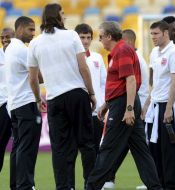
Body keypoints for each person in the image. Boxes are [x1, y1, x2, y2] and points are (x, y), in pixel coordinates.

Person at [86, 21, 162, 190]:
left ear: (109, 36)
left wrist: (128, 109)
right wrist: (106, 104)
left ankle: (91, 187)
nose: (100, 41)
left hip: (123, 105)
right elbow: (121, 83)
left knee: (107, 148)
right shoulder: (119, 52)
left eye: (101, 37)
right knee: (141, 150)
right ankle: (155, 187)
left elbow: (131, 80)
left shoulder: (122, 50)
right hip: (121, 103)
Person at [28, 4, 96, 189]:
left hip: (54, 99)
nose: (64, 17)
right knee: (87, 143)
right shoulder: (72, 35)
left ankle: (64, 187)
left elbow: (33, 78)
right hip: (76, 94)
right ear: (57, 16)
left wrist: (37, 99)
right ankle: (91, 185)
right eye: (63, 13)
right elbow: (83, 67)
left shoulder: (35, 43)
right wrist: (91, 93)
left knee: (59, 149)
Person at [143, 20, 175, 190]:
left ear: (165, 33)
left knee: (170, 150)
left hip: (170, 106)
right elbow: (156, 83)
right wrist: (147, 103)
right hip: (156, 105)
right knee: (155, 149)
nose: (153, 37)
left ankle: (173, 186)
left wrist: (169, 109)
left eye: (156, 34)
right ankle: (160, 184)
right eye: (151, 34)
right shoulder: (154, 53)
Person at [102, 29, 150, 190]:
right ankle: (153, 184)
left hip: (129, 105)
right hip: (132, 105)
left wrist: (130, 109)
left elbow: (130, 83)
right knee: (136, 148)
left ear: (128, 42)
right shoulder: (133, 56)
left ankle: (99, 181)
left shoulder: (126, 54)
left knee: (110, 146)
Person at [67, 23, 107, 190]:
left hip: (95, 114)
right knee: (71, 151)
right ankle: (68, 185)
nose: (85, 40)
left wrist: (104, 106)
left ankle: (90, 185)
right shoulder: (70, 58)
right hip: (76, 112)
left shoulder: (97, 58)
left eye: (88, 37)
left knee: (93, 152)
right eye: (82, 37)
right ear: (76, 38)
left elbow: (104, 83)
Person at [5, 16, 42, 190]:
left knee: (19, 147)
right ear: (20, 29)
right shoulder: (22, 50)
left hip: (14, 104)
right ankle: (26, 185)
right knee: (28, 147)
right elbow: (37, 76)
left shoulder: (10, 48)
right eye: (31, 29)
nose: (33, 34)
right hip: (26, 103)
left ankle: (16, 185)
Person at [0, 27, 14, 173]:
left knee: (20, 146)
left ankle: (20, 183)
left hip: (17, 103)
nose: (4, 40)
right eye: (2, 37)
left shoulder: (21, 54)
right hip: (2, 105)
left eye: (7, 37)